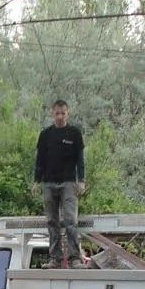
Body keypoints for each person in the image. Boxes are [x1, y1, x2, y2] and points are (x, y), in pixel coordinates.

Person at [32, 100, 88, 268]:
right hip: (49, 183)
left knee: (70, 220)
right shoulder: (45, 135)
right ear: (52, 114)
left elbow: (80, 160)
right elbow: (40, 160)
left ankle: (74, 258)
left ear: (67, 114)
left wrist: (81, 180)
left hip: (69, 183)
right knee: (52, 221)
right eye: (57, 113)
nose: (60, 116)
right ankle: (55, 258)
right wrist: (36, 181)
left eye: (63, 113)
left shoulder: (74, 134)